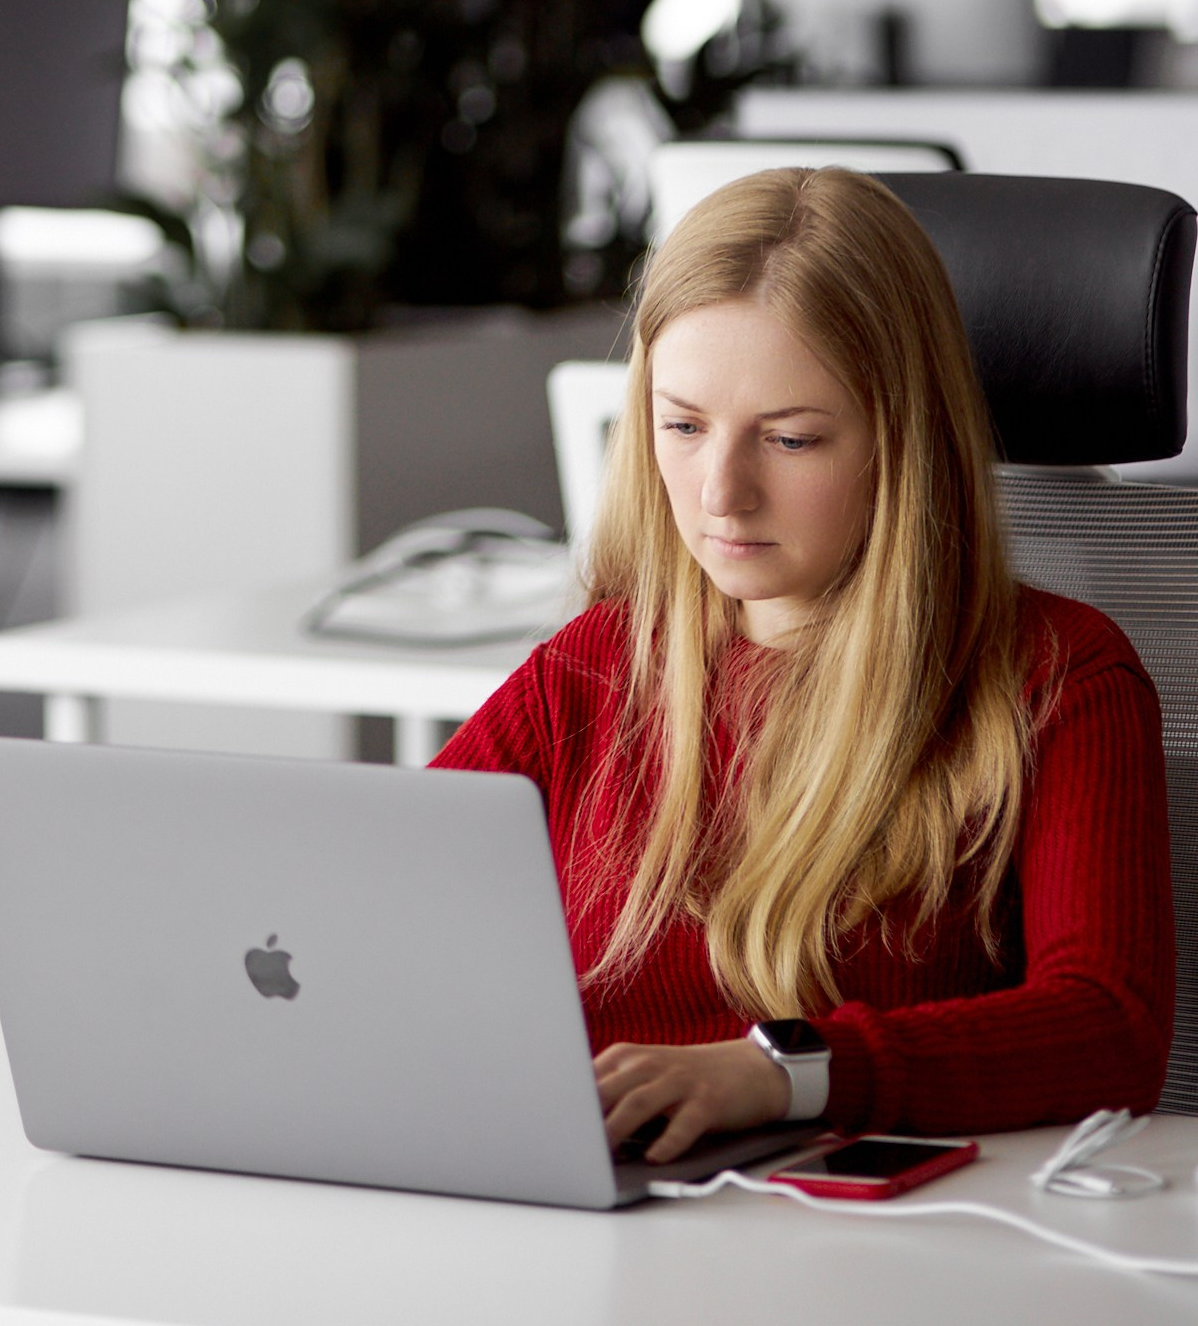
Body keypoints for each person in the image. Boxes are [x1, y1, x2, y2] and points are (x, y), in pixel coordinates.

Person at [437, 166, 1173, 1159]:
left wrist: (778, 1072)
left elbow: (1104, 1030)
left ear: (903, 442)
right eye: (683, 426)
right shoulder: (594, 666)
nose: (719, 495)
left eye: (788, 440)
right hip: (606, 1212)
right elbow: (375, 906)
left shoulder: (1054, 679)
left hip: (871, 1242)